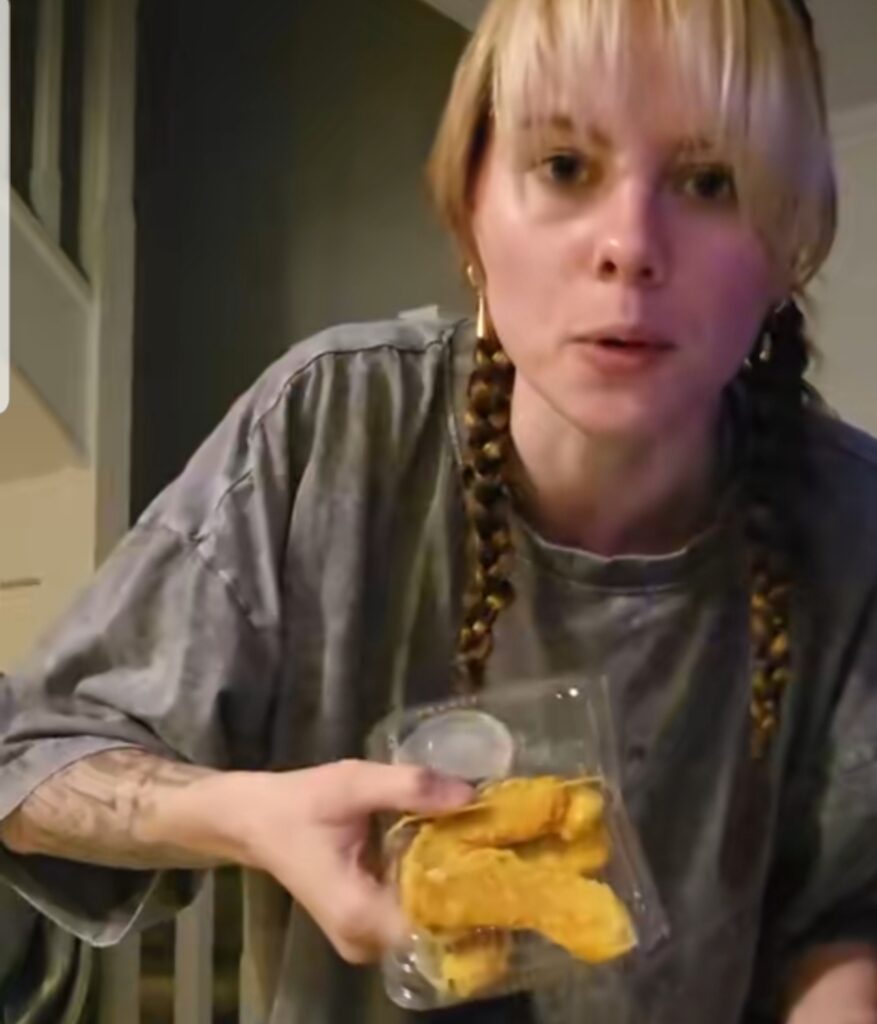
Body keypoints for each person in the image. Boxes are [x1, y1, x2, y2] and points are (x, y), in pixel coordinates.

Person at [1, 0, 875, 1021]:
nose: (629, 246)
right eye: (564, 166)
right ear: (469, 208)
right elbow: (27, 757)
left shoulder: (851, 523)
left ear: (790, 242)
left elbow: (844, 916)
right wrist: (244, 813)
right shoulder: (334, 427)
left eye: (709, 181)